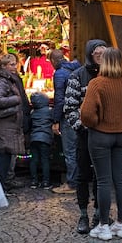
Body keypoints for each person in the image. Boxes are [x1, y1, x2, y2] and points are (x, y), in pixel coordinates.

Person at [80, 47, 122, 240]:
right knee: (120, 179)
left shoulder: (97, 84)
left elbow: (86, 114)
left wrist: (96, 123)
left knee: (103, 180)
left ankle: (103, 225)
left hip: (101, 135)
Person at [64, 39, 107, 234]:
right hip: (84, 134)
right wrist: (81, 127)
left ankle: (100, 212)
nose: (100, 57)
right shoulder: (77, 76)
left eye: (103, 54)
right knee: (83, 175)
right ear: (90, 54)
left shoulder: (109, 75)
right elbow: (70, 107)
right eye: (97, 54)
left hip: (105, 134)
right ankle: (83, 214)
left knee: (102, 176)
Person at [0, 53, 29, 191]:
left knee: (7, 156)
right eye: (11, 64)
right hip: (5, 124)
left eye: (15, 64)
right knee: (3, 156)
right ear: (4, 66)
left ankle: (2, 186)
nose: (15, 67)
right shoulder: (1, 80)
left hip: (9, 124)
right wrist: (16, 100)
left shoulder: (9, 79)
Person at [49, 48, 81, 194]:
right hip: (79, 114)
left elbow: (59, 98)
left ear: (53, 61)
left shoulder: (60, 73)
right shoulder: (77, 69)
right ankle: (79, 180)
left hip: (68, 116)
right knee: (78, 149)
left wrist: (55, 120)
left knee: (69, 150)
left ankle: (72, 183)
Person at [28, 92, 53, 189]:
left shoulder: (32, 112)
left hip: (34, 138)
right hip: (45, 139)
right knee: (45, 160)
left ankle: (34, 181)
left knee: (34, 160)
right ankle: (46, 182)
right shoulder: (49, 111)